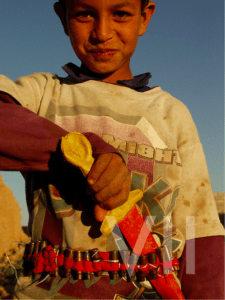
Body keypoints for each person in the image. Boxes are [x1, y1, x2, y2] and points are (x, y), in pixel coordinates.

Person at [0, 0, 224, 299]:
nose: (102, 32)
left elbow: (197, 227)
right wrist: (79, 148)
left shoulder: (171, 113)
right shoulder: (42, 95)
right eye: (84, 14)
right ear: (63, 17)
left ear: (144, 18)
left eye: (120, 14)